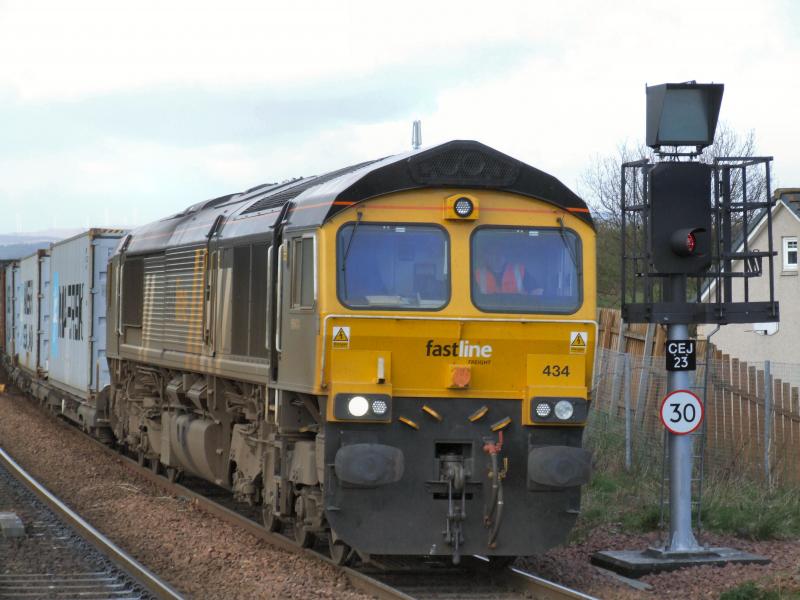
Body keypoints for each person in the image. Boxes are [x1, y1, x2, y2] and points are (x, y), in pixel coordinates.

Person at [474, 243, 543, 295]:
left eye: (499, 253)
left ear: (505, 255)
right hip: (486, 313)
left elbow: (538, 291)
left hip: (517, 312)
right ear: (486, 256)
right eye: (492, 253)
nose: (496, 257)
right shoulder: (478, 274)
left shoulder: (519, 271)